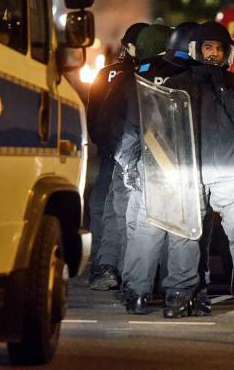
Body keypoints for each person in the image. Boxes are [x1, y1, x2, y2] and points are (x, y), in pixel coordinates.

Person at [165, 21, 234, 315]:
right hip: (189, 174)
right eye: (207, 48)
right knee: (185, 234)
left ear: (227, 53)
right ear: (196, 50)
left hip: (227, 175)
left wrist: (221, 84)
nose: (213, 54)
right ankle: (181, 291)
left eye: (218, 49)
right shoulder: (178, 84)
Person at [117, 22, 205, 316]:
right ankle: (178, 294)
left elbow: (131, 125)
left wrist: (129, 164)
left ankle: (137, 293)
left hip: (151, 163)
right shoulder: (202, 78)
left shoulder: (145, 74)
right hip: (188, 167)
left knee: (147, 227)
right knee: (184, 232)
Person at [92, 23, 171, 290]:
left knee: (115, 213)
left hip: (119, 154)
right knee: (133, 217)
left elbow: (100, 118)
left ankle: (108, 269)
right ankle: (135, 276)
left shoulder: (117, 76)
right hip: (149, 159)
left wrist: (109, 148)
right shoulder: (173, 76)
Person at [87, 22, 148, 290]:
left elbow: (95, 117)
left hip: (112, 152)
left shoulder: (107, 74)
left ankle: (102, 268)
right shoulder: (150, 74)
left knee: (105, 210)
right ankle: (121, 269)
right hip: (135, 154)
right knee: (122, 212)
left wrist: (105, 145)